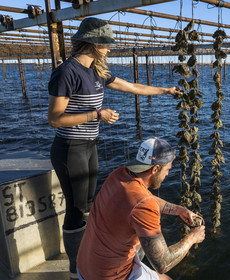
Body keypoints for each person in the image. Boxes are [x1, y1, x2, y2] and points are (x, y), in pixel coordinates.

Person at [47, 17, 181, 279]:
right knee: (75, 210)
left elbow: (132, 87)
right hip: (69, 147)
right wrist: (97, 115)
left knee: (87, 204)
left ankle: (88, 257)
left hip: (88, 145)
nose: (109, 49)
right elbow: (54, 118)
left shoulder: (98, 71)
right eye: (106, 44)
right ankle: (76, 270)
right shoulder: (66, 72)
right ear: (93, 43)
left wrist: (165, 90)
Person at [76, 137, 205, 280]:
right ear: (155, 169)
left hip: (84, 268)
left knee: (140, 245)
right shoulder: (144, 204)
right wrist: (191, 238)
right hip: (108, 276)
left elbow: (144, 199)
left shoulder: (119, 175)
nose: (168, 174)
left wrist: (179, 210)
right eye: (167, 169)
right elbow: (163, 263)